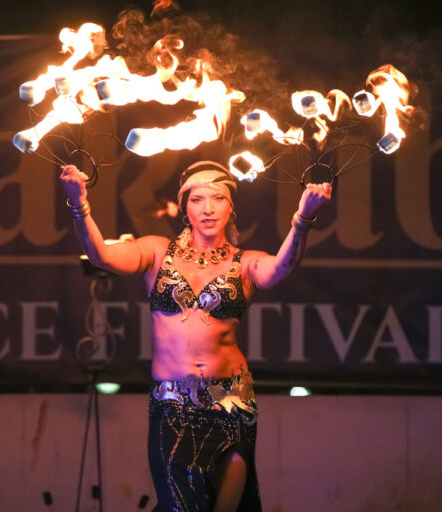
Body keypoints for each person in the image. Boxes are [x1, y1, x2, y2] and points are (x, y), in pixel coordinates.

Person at [60, 160, 332, 512]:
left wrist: (303, 220)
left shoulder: (245, 262)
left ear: (231, 206)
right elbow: (103, 255)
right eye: (197, 199)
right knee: (182, 506)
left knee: (228, 503)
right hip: (173, 405)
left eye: (217, 198)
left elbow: (279, 269)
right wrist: (78, 203)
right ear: (185, 207)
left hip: (232, 402)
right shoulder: (158, 252)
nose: (207, 208)